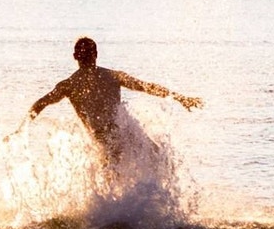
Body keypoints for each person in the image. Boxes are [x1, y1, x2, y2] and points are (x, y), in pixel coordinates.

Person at [26, 37, 200, 160]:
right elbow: (148, 87)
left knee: (114, 171)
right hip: (126, 132)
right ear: (96, 54)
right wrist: (180, 98)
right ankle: (149, 203)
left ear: (75, 57)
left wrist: (22, 128)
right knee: (158, 157)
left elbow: (40, 104)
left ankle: (120, 208)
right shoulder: (112, 76)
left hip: (104, 137)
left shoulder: (68, 85)